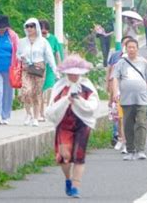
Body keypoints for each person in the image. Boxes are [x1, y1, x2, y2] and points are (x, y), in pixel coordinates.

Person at [45, 55, 99, 198]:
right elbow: (51, 109)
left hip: (82, 124)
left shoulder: (87, 86)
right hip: (64, 124)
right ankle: (68, 179)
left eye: (77, 73)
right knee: (64, 156)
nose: (74, 76)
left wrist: (78, 100)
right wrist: (66, 100)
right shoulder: (60, 86)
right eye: (71, 73)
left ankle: (75, 186)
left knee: (79, 156)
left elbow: (92, 106)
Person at [112, 39, 147, 160]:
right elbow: (115, 78)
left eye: (133, 47)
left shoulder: (143, 62)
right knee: (128, 124)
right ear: (126, 48)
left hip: (141, 98)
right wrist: (115, 92)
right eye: (129, 47)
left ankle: (140, 149)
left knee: (141, 122)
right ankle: (130, 149)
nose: (131, 49)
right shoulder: (121, 63)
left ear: (137, 49)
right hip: (126, 99)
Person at [17, 18, 57, 127]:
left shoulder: (43, 42)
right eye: (27, 26)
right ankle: (28, 113)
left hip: (39, 69)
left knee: (36, 93)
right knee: (26, 91)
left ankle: (35, 117)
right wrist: (22, 58)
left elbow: (49, 56)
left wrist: (55, 69)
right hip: (27, 69)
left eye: (32, 26)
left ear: (36, 28)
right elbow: (17, 54)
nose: (29, 28)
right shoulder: (22, 41)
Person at [106, 36, 133, 153]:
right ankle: (122, 139)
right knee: (121, 118)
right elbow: (113, 79)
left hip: (133, 95)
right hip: (121, 96)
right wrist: (111, 95)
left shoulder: (139, 64)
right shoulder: (116, 62)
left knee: (130, 119)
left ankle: (128, 140)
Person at [40, 20, 64, 122]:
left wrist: (59, 67)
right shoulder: (36, 39)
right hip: (39, 68)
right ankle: (40, 112)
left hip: (50, 68)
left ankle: (48, 109)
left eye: (45, 31)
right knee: (39, 90)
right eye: (41, 31)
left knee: (49, 89)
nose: (43, 33)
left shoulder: (53, 39)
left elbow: (58, 53)